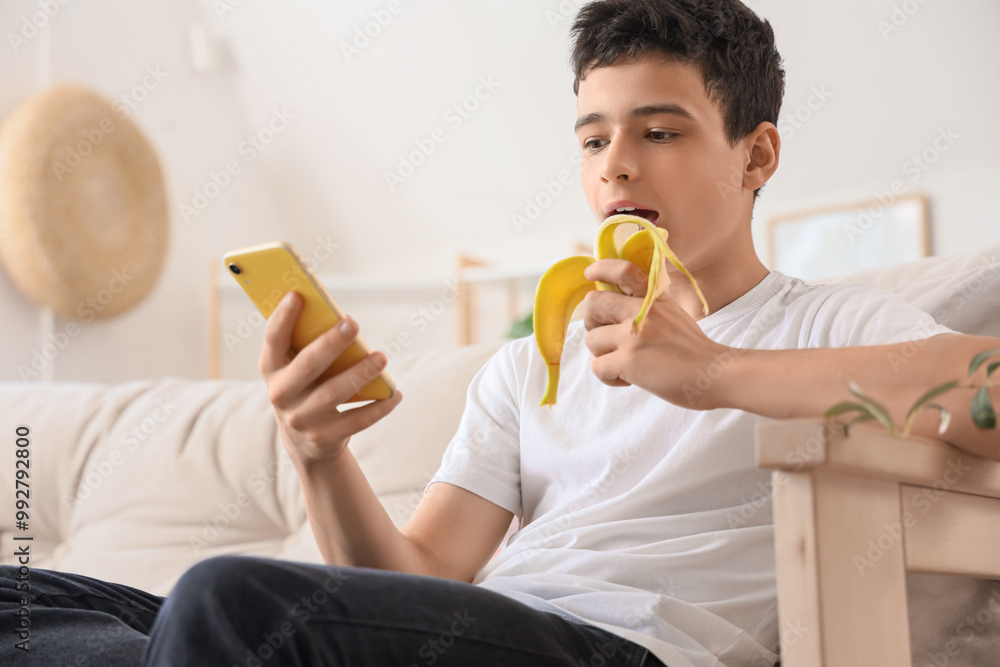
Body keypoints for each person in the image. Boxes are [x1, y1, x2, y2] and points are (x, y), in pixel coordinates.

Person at [3, 1, 998, 665]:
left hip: (621, 649)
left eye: (659, 132)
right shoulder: (530, 366)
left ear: (755, 155)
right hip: (478, 633)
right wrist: (318, 452)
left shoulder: (824, 324)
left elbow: (985, 389)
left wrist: (715, 370)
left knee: (221, 604)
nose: (617, 168)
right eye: (593, 138)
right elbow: (413, 580)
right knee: (28, 606)